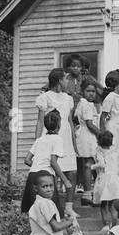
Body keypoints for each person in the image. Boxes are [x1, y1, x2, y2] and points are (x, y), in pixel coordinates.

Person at [35, 68, 77, 212]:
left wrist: (74, 142)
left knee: (72, 172)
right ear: (59, 80)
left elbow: (70, 121)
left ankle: (69, 207)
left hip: (66, 140)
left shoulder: (68, 98)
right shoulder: (45, 97)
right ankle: (55, 207)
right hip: (52, 139)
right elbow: (40, 121)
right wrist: (37, 143)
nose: (67, 81)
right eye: (65, 79)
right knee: (53, 174)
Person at [22, 110, 66, 216]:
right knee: (53, 212)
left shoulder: (39, 140)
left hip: (32, 175)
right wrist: (65, 180)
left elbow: (27, 160)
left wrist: (38, 165)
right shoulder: (58, 139)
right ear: (59, 125)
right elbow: (53, 162)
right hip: (46, 177)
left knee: (33, 212)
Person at [73, 78, 101, 203]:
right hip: (88, 136)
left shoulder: (82, 103)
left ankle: (91, 191)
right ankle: (87, 192)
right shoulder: (86, 105)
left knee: (90, 164)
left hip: (84, 135)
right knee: (89, 164)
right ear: (82, 91)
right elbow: (90, 124)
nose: (91, 94)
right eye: (88, 91)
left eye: (93, 91)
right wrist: (101, 135)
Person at [99, 71, 119, 180]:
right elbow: (103, 117)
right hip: (113, 130)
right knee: (113, 157)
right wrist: (103, 135)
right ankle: (111, 185)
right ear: (118, 82)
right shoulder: (110, 97)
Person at [92, 130, 119, 230]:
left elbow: (101, 164)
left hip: (104, 179)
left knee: (104, 204)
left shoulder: (99, 152)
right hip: (115, 180)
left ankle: (106, 224)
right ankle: (115, 225)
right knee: (113, 204)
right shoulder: (116, 152)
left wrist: (91, 166)